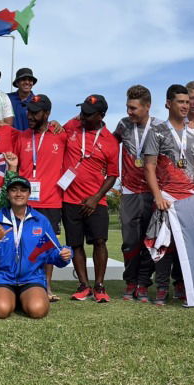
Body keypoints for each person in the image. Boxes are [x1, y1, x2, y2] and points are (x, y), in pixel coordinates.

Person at [143, 84, 194, 305]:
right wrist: (157, 196)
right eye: (181, 102)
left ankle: (181, 283)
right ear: (168, 104)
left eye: (187, 102)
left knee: (187, 245)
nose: (185, 106)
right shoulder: (157, 131)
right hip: (167, 197)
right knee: (165, 244)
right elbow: (149, 166)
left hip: (190, 198)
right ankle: (162, 286)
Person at [0, 174, 71, 318]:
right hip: (2, 277)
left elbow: (51, 252)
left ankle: (23, 298)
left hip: (31, 278)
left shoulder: (40, 220)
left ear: (29, 194)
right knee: (1, 310)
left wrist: (63, 255)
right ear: (8, 194)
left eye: (23, 190)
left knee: (38, 310)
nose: (18, 194)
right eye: (14, 190)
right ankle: (6, 297)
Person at [61, 94, 120, 303]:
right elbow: (55, 129)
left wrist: (96, 198)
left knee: (99, 241)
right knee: (75, 244)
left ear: (101, 116)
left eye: (88, 113)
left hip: (96, 201)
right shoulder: (73, 127)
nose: (83, 116)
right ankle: (84, 285)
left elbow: (113, 175)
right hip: (69, 198)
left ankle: (100, 285)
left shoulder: (111, 141)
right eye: (82, 111)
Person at [7, 93, 66, 300]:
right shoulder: (22, 136)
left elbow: (78, 127)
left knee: (47, 244)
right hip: (23, 199)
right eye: (28, 112)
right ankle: (17, 281)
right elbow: (13, 166)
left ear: (47, 114)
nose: (30, 116)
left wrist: (61, 123)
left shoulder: (60, 135)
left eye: (35, 113)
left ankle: (46, 286)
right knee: (20, 241)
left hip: (51, 199)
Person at [114, 85, 164, 302]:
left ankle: (143, 283)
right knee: (129, 242)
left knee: (149, 240)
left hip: (153, 192)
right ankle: (130, 281)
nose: (129, 112)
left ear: (147, 107)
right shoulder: (123, 125)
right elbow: (107, 145)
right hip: (129, 191)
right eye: (128, 107)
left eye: (134, 108)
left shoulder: (161, 127)